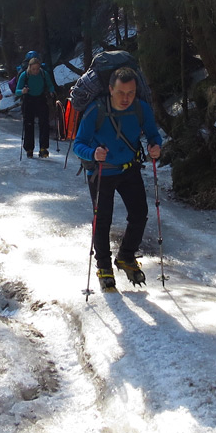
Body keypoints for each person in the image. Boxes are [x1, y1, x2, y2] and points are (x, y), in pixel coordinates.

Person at [72, 67, 163, 289]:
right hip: (102, 171)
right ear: (110, 89)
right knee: (103, 219)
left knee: (140, 214)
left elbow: (153, 134)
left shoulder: (140, 108)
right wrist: (93, 154)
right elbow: (78, 144)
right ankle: (103, 265)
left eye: (131, 93)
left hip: (129, 168)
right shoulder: (96, 110)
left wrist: (155, 146)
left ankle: (126, 256)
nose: (126, 98)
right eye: (121, 92)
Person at [16, 53, 55, 158]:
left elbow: (50, 85)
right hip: (28, 99)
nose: (35, 71)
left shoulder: (43, 73)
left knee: (44, 123)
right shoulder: (24, 75)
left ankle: (43, 148)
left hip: (40, 99)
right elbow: (17, 91)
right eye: (33, 69)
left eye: (37, 69)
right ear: (29, 67)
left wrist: (52, 91)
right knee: (29, 124)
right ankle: (29, 148)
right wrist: (22, 91)